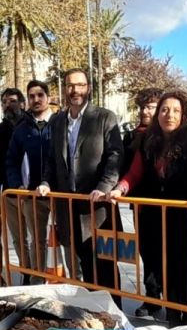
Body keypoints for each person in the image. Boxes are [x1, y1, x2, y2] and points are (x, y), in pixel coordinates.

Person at [109, 90, 187, 326]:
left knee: (184, 267)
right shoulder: (147, 139)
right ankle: (171, 315)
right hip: (153, 214)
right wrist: (121, 188)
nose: (170, 115)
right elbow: (135, 171)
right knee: (160, 267)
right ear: (158, 114)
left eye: (176, 111)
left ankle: (186, 319)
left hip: (183, 214)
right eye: (165, 110)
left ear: (184, 115)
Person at [37, 68, 123, 300]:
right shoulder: (58, 121)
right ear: (65, 89)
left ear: (89, 88)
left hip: (98, 206)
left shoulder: (104, 117)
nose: (75, 90)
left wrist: (104, 187)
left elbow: (115, 155)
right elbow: (53, 160)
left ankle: (114, 315)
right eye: (70, 85)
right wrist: (46, 182)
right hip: (70, 206)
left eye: (80, 85)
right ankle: (94, 313)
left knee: (106, 265)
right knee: (84, 263)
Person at [4, 80, 55, 285]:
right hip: (33, 195)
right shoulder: (21, 129)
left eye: (40, 95)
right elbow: (11, 161)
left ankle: (73, 284)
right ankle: (37, 282)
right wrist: (18, 185)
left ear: (48, 98)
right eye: (32, 96)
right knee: (38, 242)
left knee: (67, 243)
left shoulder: (60, 123)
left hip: (59, 194)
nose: (36, 99)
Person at [123, 89, 163, 317]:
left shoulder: (168, 135)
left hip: (168, 203)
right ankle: (152, 297)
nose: (145, 111)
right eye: (143, 107)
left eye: (151, 107)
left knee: (170, 253)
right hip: (140, 202)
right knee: (147, 251)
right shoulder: (132, 136)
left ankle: (175, 299)